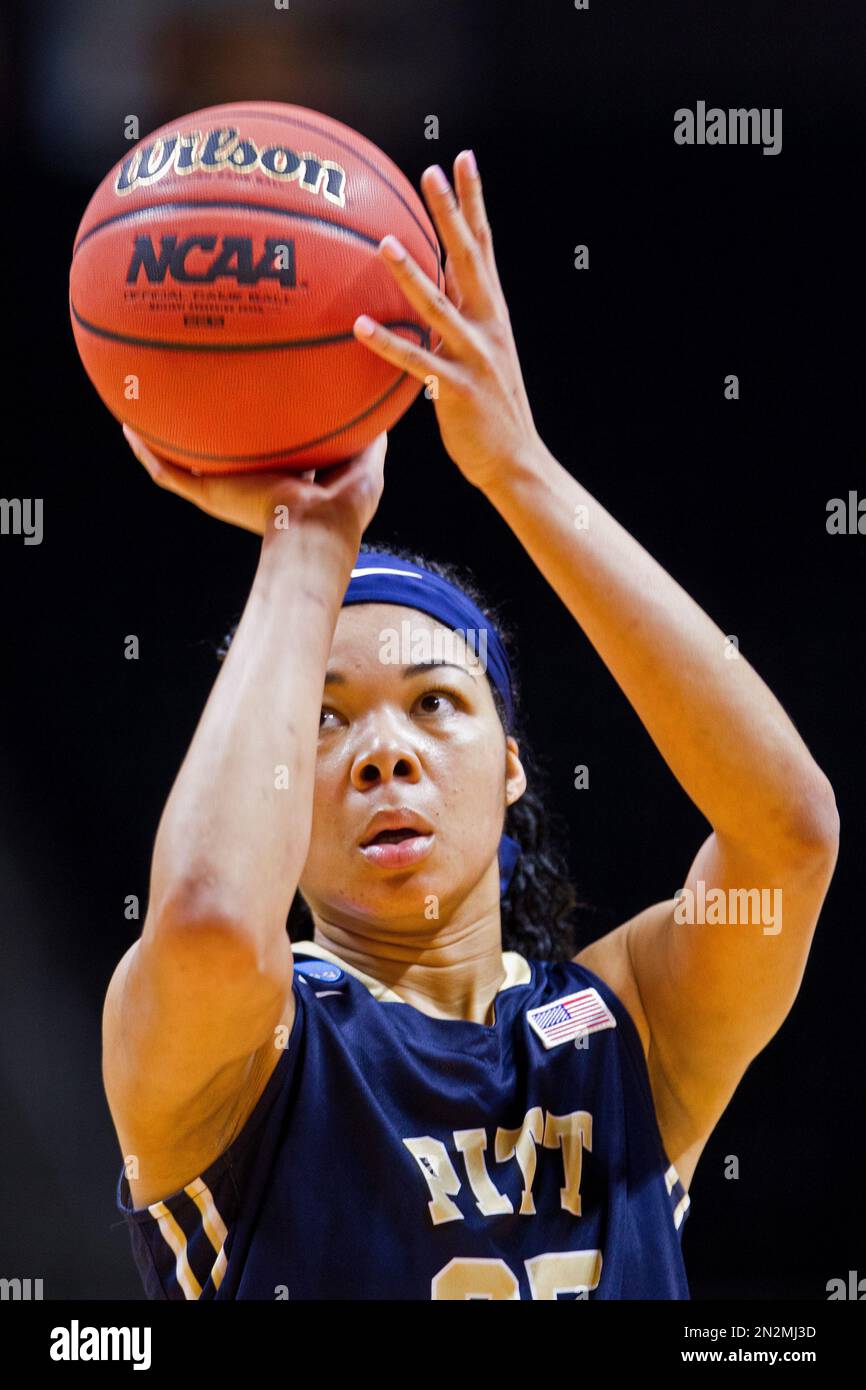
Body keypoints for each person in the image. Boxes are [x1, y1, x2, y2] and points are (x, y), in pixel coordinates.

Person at [106, 151, 839, 1300]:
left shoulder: (626, 1028)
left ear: (508, 766)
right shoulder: (255, 1052)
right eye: (324, 721)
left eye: (434, 702)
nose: (384, 751)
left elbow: (788, 832)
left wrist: (521, 470)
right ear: (275, 795)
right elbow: (204, 921)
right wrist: (305, 542)